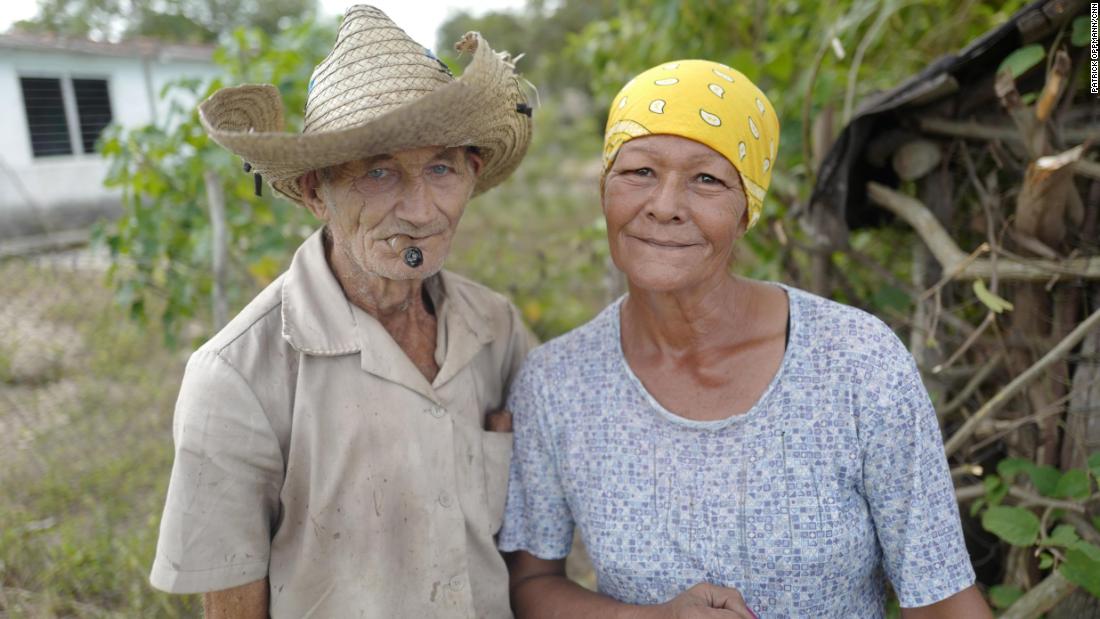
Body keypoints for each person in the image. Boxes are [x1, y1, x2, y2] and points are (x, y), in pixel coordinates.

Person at [498, 60, 992, 619]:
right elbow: (531, 582)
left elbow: (944, 600)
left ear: (746, 210)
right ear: (604, 189)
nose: (664, 204)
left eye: (707, 179)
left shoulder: (855, 361)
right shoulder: (557, 382)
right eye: (638, 172)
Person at [148, 6, 536, 618]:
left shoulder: (497, 328)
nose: (419, 209)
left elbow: (527, 548)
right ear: (314, 192)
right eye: (379, 173)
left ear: (473, 171)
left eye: (441, 168)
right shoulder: (237, 375)